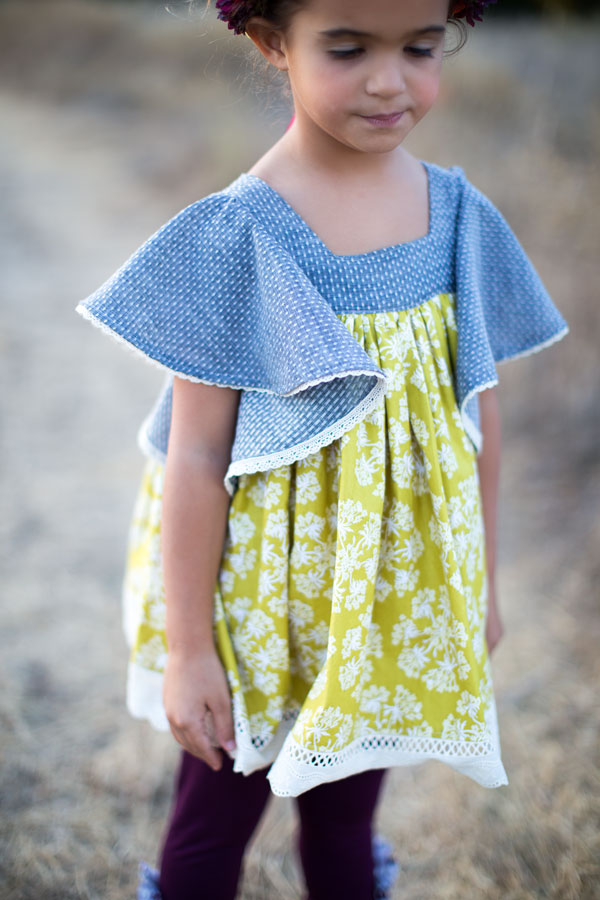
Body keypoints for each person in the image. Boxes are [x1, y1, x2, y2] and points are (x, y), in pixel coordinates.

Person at [76, 0, 568, 897]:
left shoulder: (456, 215)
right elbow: (192, 459)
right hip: (255, 611)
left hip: (384, 602)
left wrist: (482, 584)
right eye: (348, 49)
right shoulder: (235, 233)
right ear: (274, 44)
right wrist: (191, 650)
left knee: (344, 827)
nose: (391, 81)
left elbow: (477, 415)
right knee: (211, 829)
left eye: (421, 48)